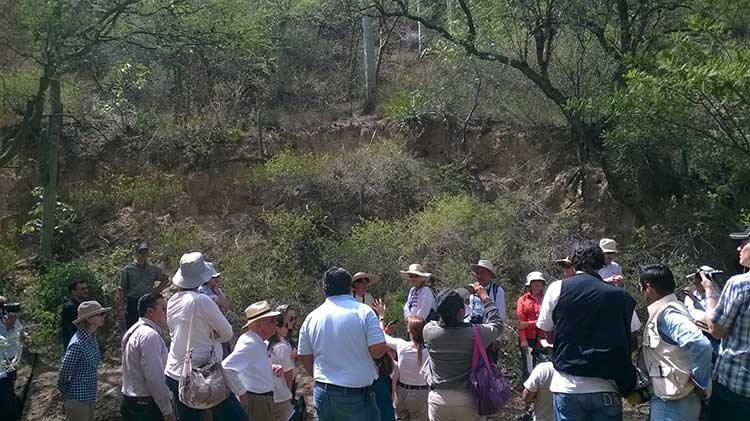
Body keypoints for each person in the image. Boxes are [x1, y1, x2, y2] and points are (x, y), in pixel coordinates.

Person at [536, 241, 639, 421]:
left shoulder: (557, 288)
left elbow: (546, 331)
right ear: (601, 263)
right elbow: (633, 338)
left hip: (568, 384)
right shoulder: (618, 295)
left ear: (573, 262)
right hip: (607, 385)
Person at [164, 252, 246, 421]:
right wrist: (213, 335)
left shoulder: (172, 301)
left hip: (175, 373)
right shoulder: (202, 300)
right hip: (203, 373)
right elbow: (227, 333)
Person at [298, 267, 386, 421]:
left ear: (324, 289)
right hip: (356, 394)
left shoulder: (312, 317)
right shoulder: (364, 312)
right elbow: (378, 351)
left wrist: (320, 375)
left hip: (323, 392)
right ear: (349, 287)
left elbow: (304, 355)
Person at [639, 264, 712, 421]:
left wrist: (700, 384)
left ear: (648, 288)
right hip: (675, 400)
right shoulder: (672, 308)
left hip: (673, 403)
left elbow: (701, 344)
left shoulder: (667, 314)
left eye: (641, 288)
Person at [422, 284, 503, 421]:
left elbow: (436, 322)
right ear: (461, 311)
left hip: (438, 399)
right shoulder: (476, 333)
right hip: (468, 400)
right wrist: (485, 298)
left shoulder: (429, 331)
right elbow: (497, 324)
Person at [701, 227, 750, 420]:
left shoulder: (740, 284)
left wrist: (710, 291)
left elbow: (716, 330)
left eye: (743, 243)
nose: (739, 248)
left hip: (735, 387)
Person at [223, 301, 281, 421]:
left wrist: (270, 367)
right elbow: (226, 367)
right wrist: (242, 393)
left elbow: (251, 365)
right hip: (256, 401)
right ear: (259, 325)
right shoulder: (251, 343)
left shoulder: (255, 341)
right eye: (271, 321)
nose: (275, 324)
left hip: (260, 400)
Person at [372, 299, 429, 421]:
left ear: (409, 331)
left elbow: (382, 335)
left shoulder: (401, 346)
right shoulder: (429, 351)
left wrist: (381, 316)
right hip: (421, 394)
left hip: (401, 392)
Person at [120, 293, 175, 421]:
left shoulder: (133, 331)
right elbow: (155, 377)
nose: (167, 312)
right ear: (150, 311)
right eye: (163, 308)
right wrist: (167, 411)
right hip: (146, 408)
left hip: (132, 403)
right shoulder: (150, 336)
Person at [57, 300, 111, 421]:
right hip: (77, 398)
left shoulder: (92, 338)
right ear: (89, 319)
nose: (104, 316)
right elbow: (64, 373)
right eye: (100, 314)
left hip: (89, 395)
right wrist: (65, 393)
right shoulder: (77, 344)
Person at [120, 242, 168, 328]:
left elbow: (165, 279)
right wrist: (121, 308)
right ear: (136, 254)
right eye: (141, 252)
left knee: (149, 326)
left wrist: (156, 290)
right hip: (133, 302)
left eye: (145, 252)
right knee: (132, 327)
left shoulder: (153, 269)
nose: (143, 255)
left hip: (147, 301)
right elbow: (121, 289)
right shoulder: (128, 269)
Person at [517, 271, 547, 382]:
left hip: (544, 338)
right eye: (534, 282)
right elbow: (521, 322)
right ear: (529, 284)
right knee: (528, 368)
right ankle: (528, 394)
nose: (537, 284)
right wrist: (523, 340)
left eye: (539, 281)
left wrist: (529, 324)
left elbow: (547, 319)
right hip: (528, 339)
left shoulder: (547, 299)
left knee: (545, 366)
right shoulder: (522, 300)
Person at [267, 310, 297, 421]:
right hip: (281, 396)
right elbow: (289, 376)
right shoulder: (282, 348)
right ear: (277, 329)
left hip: (268, 395)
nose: (288, 326)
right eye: (285, 325)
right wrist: (289, 394)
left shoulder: (266, 345)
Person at [198, 262, 232, 357]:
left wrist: (218, 293)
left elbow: (226, 306)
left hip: (220, 326)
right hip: (210, 330)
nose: (216, 279)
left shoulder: (217, 290)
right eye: (213, 277)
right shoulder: (201, 290)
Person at [0, 296, 23, 420]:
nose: (3, 307)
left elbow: (19, 332)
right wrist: (9, 328)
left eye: (4, 303)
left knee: (9, 387)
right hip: (2, 363)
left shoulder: (8, 316)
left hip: (10, 359)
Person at [61, 280, 88, 350]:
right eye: (83, 289)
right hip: (75, 346)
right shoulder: (69, 307)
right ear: (74, 292)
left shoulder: (86, 306)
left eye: (86, 288)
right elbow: (69, 329)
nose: (86, 291)